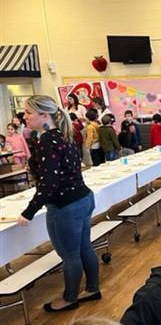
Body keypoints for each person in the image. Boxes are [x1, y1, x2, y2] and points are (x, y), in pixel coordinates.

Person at [17, 95, 99, 312]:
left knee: (71, 255)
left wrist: (29, 211)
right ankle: (92, 289)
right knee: (84, 248)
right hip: (83, 198)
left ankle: (69, 298)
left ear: (44, 115)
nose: (24, 117)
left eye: (28, 113)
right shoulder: (64, 135)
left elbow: (49, 183)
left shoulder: (48, 141)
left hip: (66, 206)